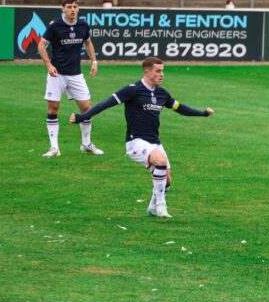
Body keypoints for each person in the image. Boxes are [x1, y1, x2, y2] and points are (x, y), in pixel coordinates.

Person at [70, 57, 214, 219]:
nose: (162, 74)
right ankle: (161, 205)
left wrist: (203, 113)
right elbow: (105, 104)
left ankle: (152, 208)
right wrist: (82, 117)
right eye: (158, 71)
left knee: (166, 180)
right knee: (160, 160)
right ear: (147, 72)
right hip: (135, 141)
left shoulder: (162, 94)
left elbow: (180, 108)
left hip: (154, 141)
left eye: (162, 71)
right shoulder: (132, 90)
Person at [38, 0, 103, 158]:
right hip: (57, 74)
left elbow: (88, 42)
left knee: (86, 109)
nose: (72, 9)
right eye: (69, 7)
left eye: (75, 6)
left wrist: (94, 61)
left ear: (78, 9)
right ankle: (54, 148)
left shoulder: (83, 25)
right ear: (63, 9)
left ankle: (86, 144)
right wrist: (48, 65)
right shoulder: (55, 26)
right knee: (53, 109)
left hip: (76, 74)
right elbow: (41, 44)